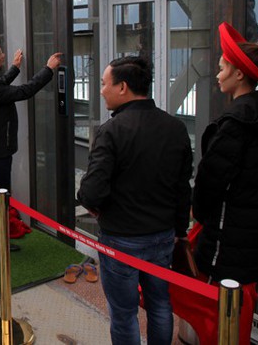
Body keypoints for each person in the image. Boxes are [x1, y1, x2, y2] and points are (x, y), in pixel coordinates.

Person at [170, 22, 258, 345]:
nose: (218, 73)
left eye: (223, 67)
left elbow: (209, 190)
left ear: (239, 74)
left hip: (225, 251)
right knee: (238, 327)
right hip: (251, 250)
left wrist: (197, 211)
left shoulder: (234, 126)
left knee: (216, 326)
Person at [76, 56, 193, 345]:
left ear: (123, 87)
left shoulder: (112, 131)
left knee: (125, 312)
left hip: (121, 239)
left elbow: (91, 192)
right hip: (163, 236)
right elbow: (182, 187)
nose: (101, 90)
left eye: (104, 84)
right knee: (161, 304)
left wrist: (96, 206)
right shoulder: (175, 127)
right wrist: (180, 231)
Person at [0, 37, 61, 251]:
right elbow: (24, 91)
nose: (3, 54)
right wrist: (48, 69)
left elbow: (1, 85)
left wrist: (14, 68)